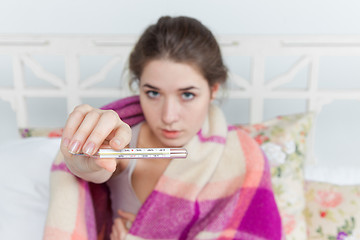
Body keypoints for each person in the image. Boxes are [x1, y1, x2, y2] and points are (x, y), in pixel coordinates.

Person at [44, 16, 283, 240]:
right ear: (138, 88)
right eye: (153, 93)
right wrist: (81, 162)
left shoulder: (244, 158)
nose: (168, 116)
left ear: (213, 91)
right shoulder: (120, 145)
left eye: (187, 95)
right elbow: (94, 170)